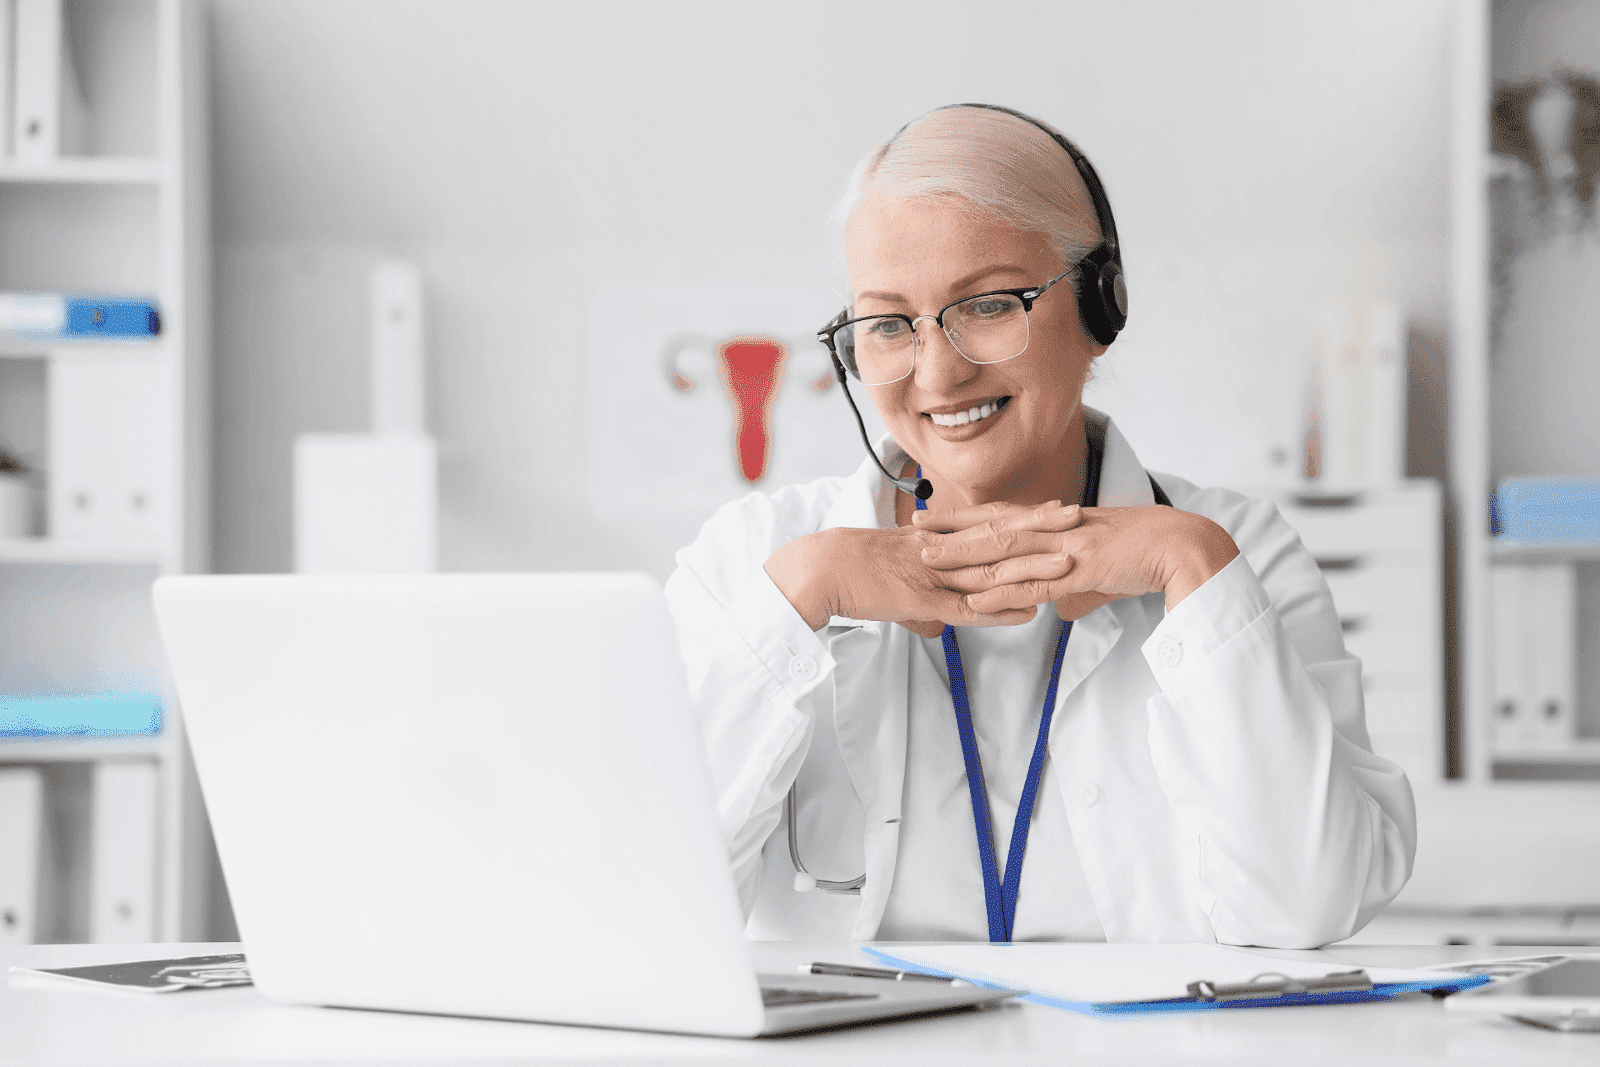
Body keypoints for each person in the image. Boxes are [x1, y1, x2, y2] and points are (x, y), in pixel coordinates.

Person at [664, 103, 1415, 947]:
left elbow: (1307, 908)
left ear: (1101, 308)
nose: (937, 371)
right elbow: (649, 917)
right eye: (886, 325)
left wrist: (1194, 566)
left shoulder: (1237, 552)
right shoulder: (753, 562)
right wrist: (797, 599)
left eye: (987, 305)